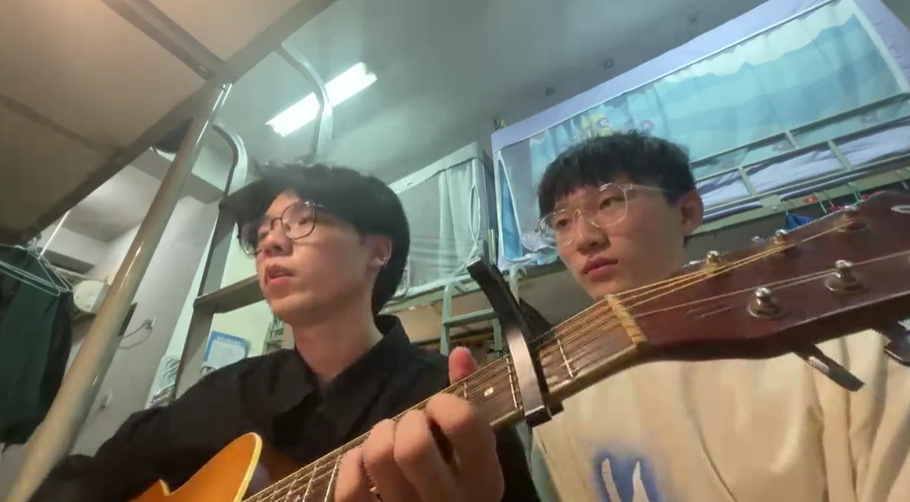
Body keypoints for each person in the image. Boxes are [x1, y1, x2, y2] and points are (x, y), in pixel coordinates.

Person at [28, 163, 540, 502]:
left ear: (377, 251)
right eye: (262, 233)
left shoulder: (454, 400)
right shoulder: (226, 393)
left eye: (301, 219)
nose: (270, 243)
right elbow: (91, 477)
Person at [527, 131, 910, 502]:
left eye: (609, 202)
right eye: (562, 223)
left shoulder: (844, 344)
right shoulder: (557, 399)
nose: (584, 238)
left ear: (687, 212)